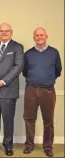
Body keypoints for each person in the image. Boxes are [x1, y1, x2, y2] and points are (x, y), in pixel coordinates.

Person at [0, 23, 24, 156]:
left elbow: (18, 67)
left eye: (7, 31)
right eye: (1, 31)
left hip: (7, 89)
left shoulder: (17, 47)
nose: (4, 33)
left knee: (8, 119)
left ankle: (8, 144)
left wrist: (2, 82)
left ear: (11, 32)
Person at [22, 28, 62, 157]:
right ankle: (29, 145)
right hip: (31, 89)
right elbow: (25, 71)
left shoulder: (54, 53)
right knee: (29, 119)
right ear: (34, 37)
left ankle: (48, 147)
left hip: (48, 90)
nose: (39, 37)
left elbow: (58, 71)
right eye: (37, 35)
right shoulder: (28, 54)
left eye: (42, 35)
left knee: (48, 121)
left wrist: (46, 80)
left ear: (46, 36)